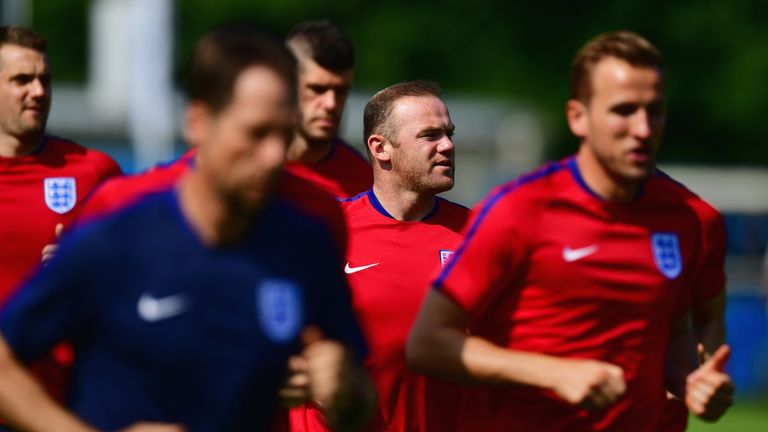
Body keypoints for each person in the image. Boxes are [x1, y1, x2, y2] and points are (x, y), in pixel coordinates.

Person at [0, 26, 373, 432]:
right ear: (198, 122)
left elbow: (356, 394)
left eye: (283, 133)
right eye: (255, 134)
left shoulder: (311, 229)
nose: (272, 156)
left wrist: (342, 386)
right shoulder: (118, 215)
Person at [406, 31, 733, 431]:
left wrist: (693, 383)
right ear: (578, 116)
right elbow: (427, 344)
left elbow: (674, 336)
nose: (644, 128)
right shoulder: (519, 209)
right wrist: (554, 373)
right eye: (624, 110)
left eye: (655, 110)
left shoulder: (682, 218)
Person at [292, 81, 469, 432]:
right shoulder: (322, 231)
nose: (447, 145)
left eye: (448, 133)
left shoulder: (479, 235)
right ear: (381, 147)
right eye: (429, 135)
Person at [0, 25, 122, 403]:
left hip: (64, 406)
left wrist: (90, 267)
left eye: (44, 79)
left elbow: (145, 273)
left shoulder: (92, 171)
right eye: (22, 80)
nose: (38, 91)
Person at [284, 20, 372, 198]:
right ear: (287, 83)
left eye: (341, 91)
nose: (331, 103)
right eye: (317, 89)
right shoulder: (247, 166)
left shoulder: (366, 185)